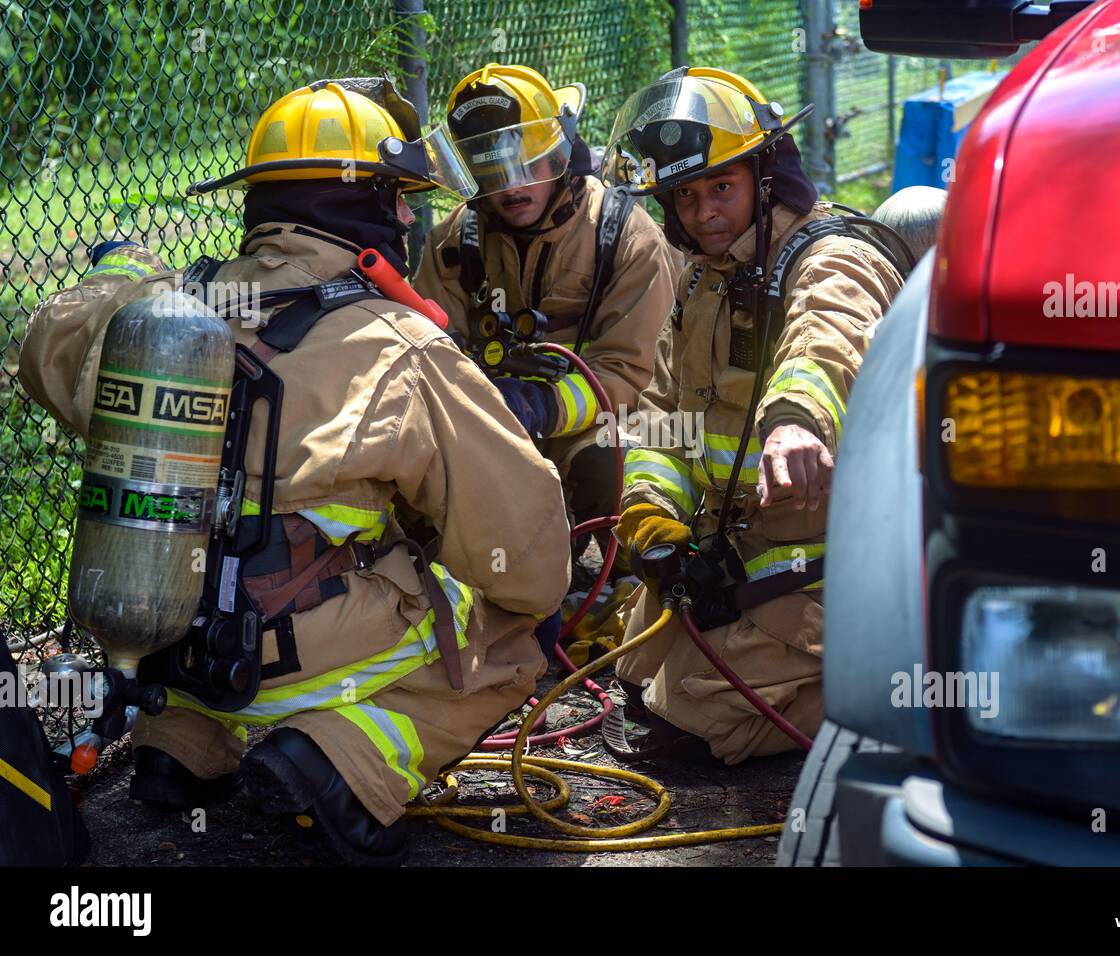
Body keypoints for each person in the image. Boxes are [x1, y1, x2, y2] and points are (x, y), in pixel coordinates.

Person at [17, 78, 572, 864]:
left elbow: (50, 337)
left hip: (169, 645)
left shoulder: (166, 316)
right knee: (517, 630)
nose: (412, 217)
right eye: (400, 199)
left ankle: (180, 743)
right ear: (364, 208)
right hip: (301, 668)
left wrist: (124, 279)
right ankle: (343, 760)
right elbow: (528, 549)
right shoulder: (400, 346)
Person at [597, 67, 906, 764]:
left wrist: (796, 420)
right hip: (731, 551)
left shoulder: (835, 258)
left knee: (703, 717)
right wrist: (650, 515)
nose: (704, 212)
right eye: (686, 194)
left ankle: (894, 676)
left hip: (831, 562)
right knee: (635, 672)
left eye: (722, 188)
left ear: (767, 178)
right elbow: (660, 415)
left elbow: (830, 337)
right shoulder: (706, 278)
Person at [413, 64, 680, 573]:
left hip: (607, 421)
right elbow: (428, 353)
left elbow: (634, 374)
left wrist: (538, 406)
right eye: (492, 172)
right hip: (494, 424)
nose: (512, 188)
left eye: (526, 165)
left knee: (613, 459)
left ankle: (627, 586)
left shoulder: (627, 237)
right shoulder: (454, 244)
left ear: (560, 153)